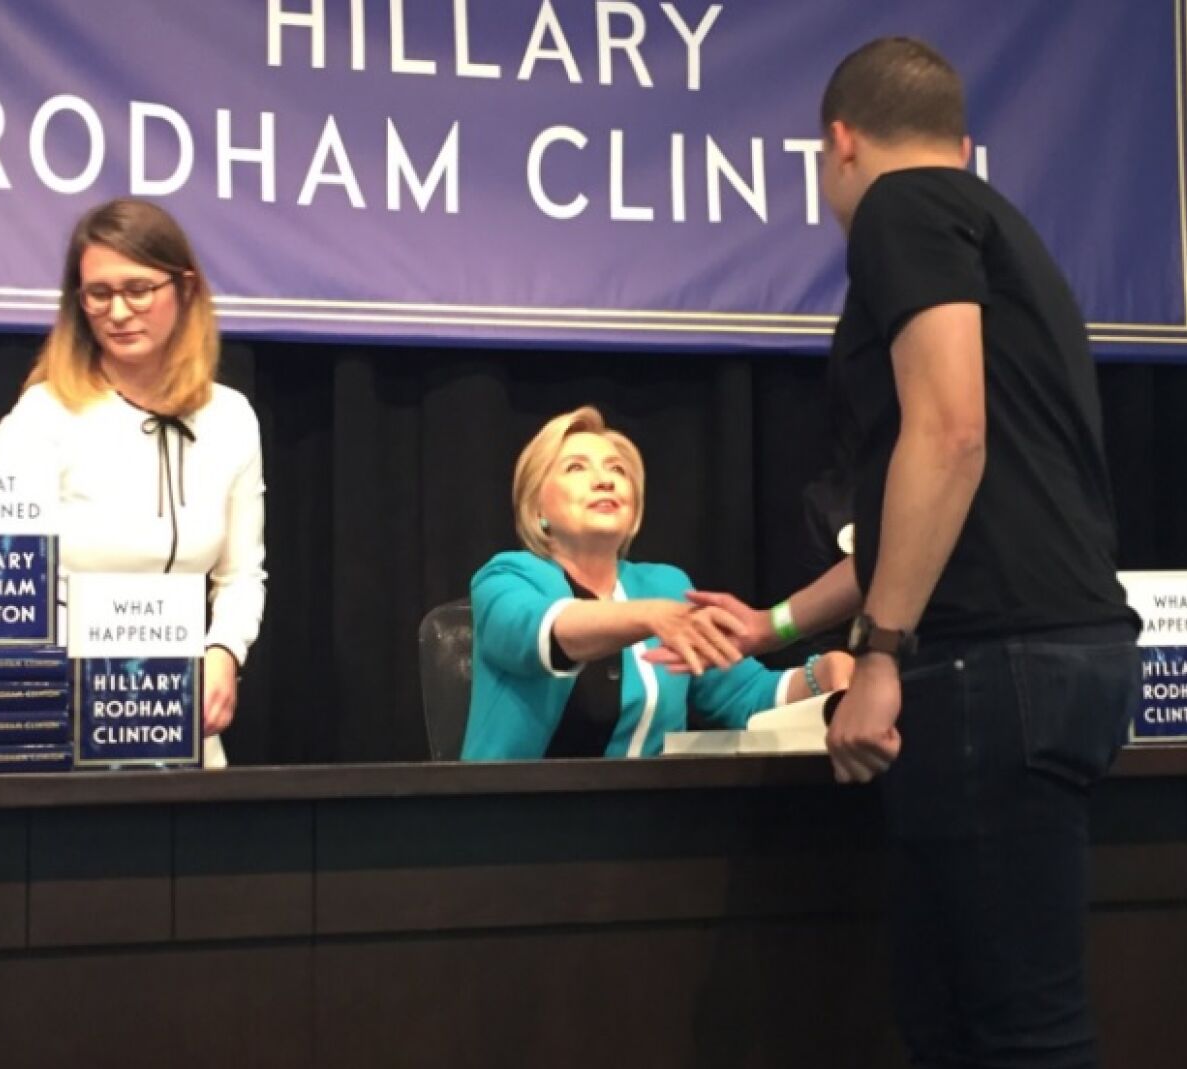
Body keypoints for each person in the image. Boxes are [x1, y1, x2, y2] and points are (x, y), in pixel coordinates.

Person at [667, 38, 1142, 1068]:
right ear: (961, 141)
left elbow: (950, 437)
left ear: (839, 143)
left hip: (991, 669)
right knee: (950, 1024)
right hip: (1037, 661)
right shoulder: (998, 232)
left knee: (1019, 1036)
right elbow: (922, 507)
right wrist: (774, 625)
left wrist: (879, 655)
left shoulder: (903, 207)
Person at [0, 198, 265, 769]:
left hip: (179, 726)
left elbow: (241, 575)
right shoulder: (44, 415)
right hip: (62, 723)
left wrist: (223, 652)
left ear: (185, 289)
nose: (118, 311)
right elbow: (0, 577)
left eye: (138, 290)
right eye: (99, 294)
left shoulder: (231, 418)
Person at [463, 406, 851, 760]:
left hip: (649, 809)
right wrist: (650, 617)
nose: (604, 481)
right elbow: (545, 630)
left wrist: (820, 675)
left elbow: (745, 696)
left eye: (617, 470)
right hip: (517, 809)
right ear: (536, 509)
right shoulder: (505, 579)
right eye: (576, 468)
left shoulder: (664, 585)